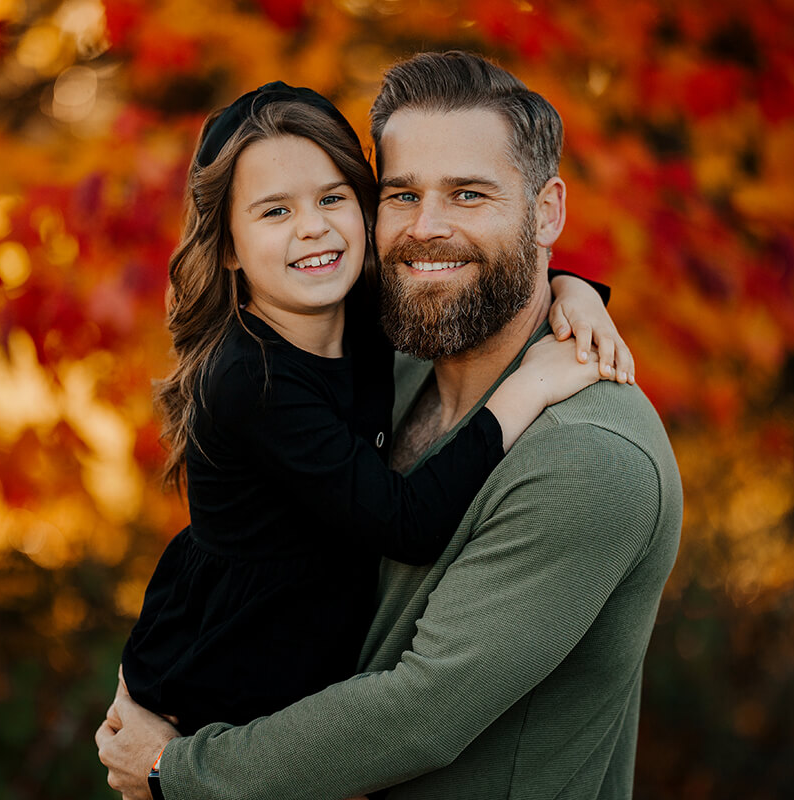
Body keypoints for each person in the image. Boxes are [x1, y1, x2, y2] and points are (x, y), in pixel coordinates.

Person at [97, 52, 680, 800]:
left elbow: (422, 712)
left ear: (547, 214)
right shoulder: (394, 361)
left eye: (468, 194)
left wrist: (173, 771)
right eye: (403, 194)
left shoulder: (591, 461)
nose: (426, 228)